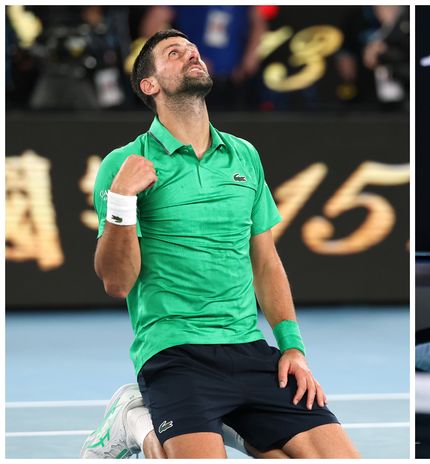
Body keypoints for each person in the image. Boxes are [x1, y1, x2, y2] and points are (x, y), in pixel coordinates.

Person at [79, 29, 359, 459]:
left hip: (249, 348)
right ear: (149, 86)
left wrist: (293, 348)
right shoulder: (124, 164)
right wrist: (120, 202)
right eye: (175, 53)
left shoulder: (244, 154)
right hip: (174, 353)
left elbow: (265, 261)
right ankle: (137, 420)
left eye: (193, 50)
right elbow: (117, 283)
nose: (192, 54)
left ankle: (224, 423)